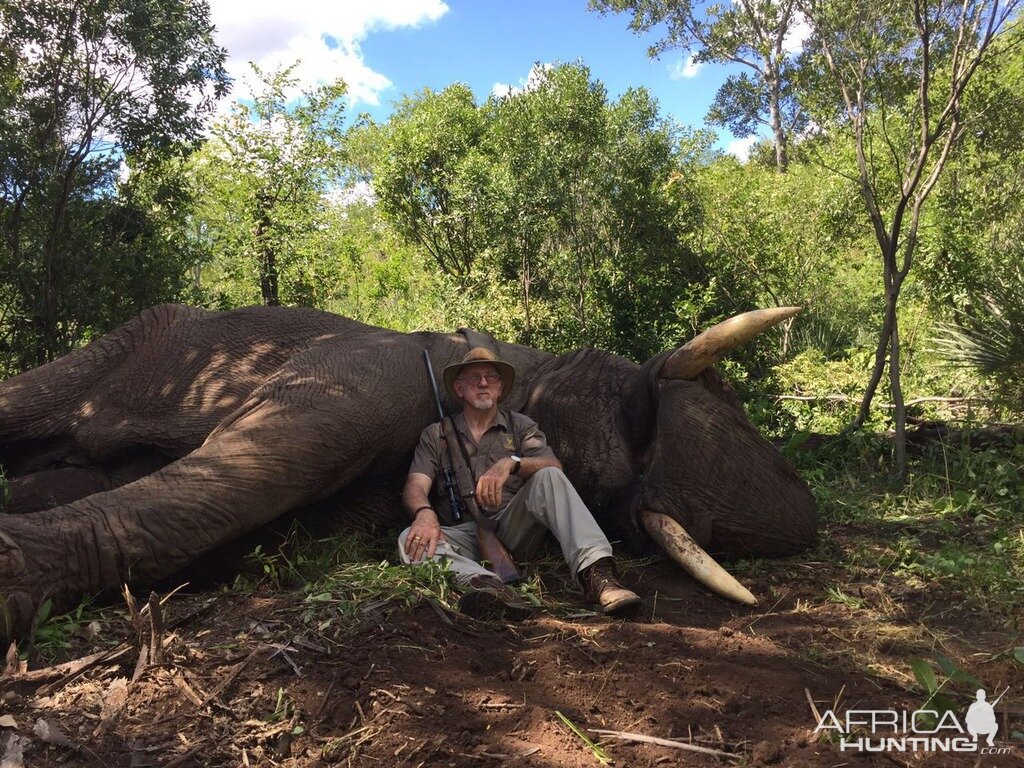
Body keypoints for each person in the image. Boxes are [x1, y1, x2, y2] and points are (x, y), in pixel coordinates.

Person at [398, 347, 642, 620]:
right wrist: (424, 513)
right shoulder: (436, 434)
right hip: (463, 537)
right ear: (459, 388)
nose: (483, 383)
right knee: (408, 538)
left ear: (500, 388)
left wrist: (511, 463)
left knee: (549, 477)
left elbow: (553, 466)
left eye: (491, 377)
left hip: (515, 529)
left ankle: (599, 577)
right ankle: (487, 587)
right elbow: (415, 485)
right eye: (474, 377)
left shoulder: (521, 426)